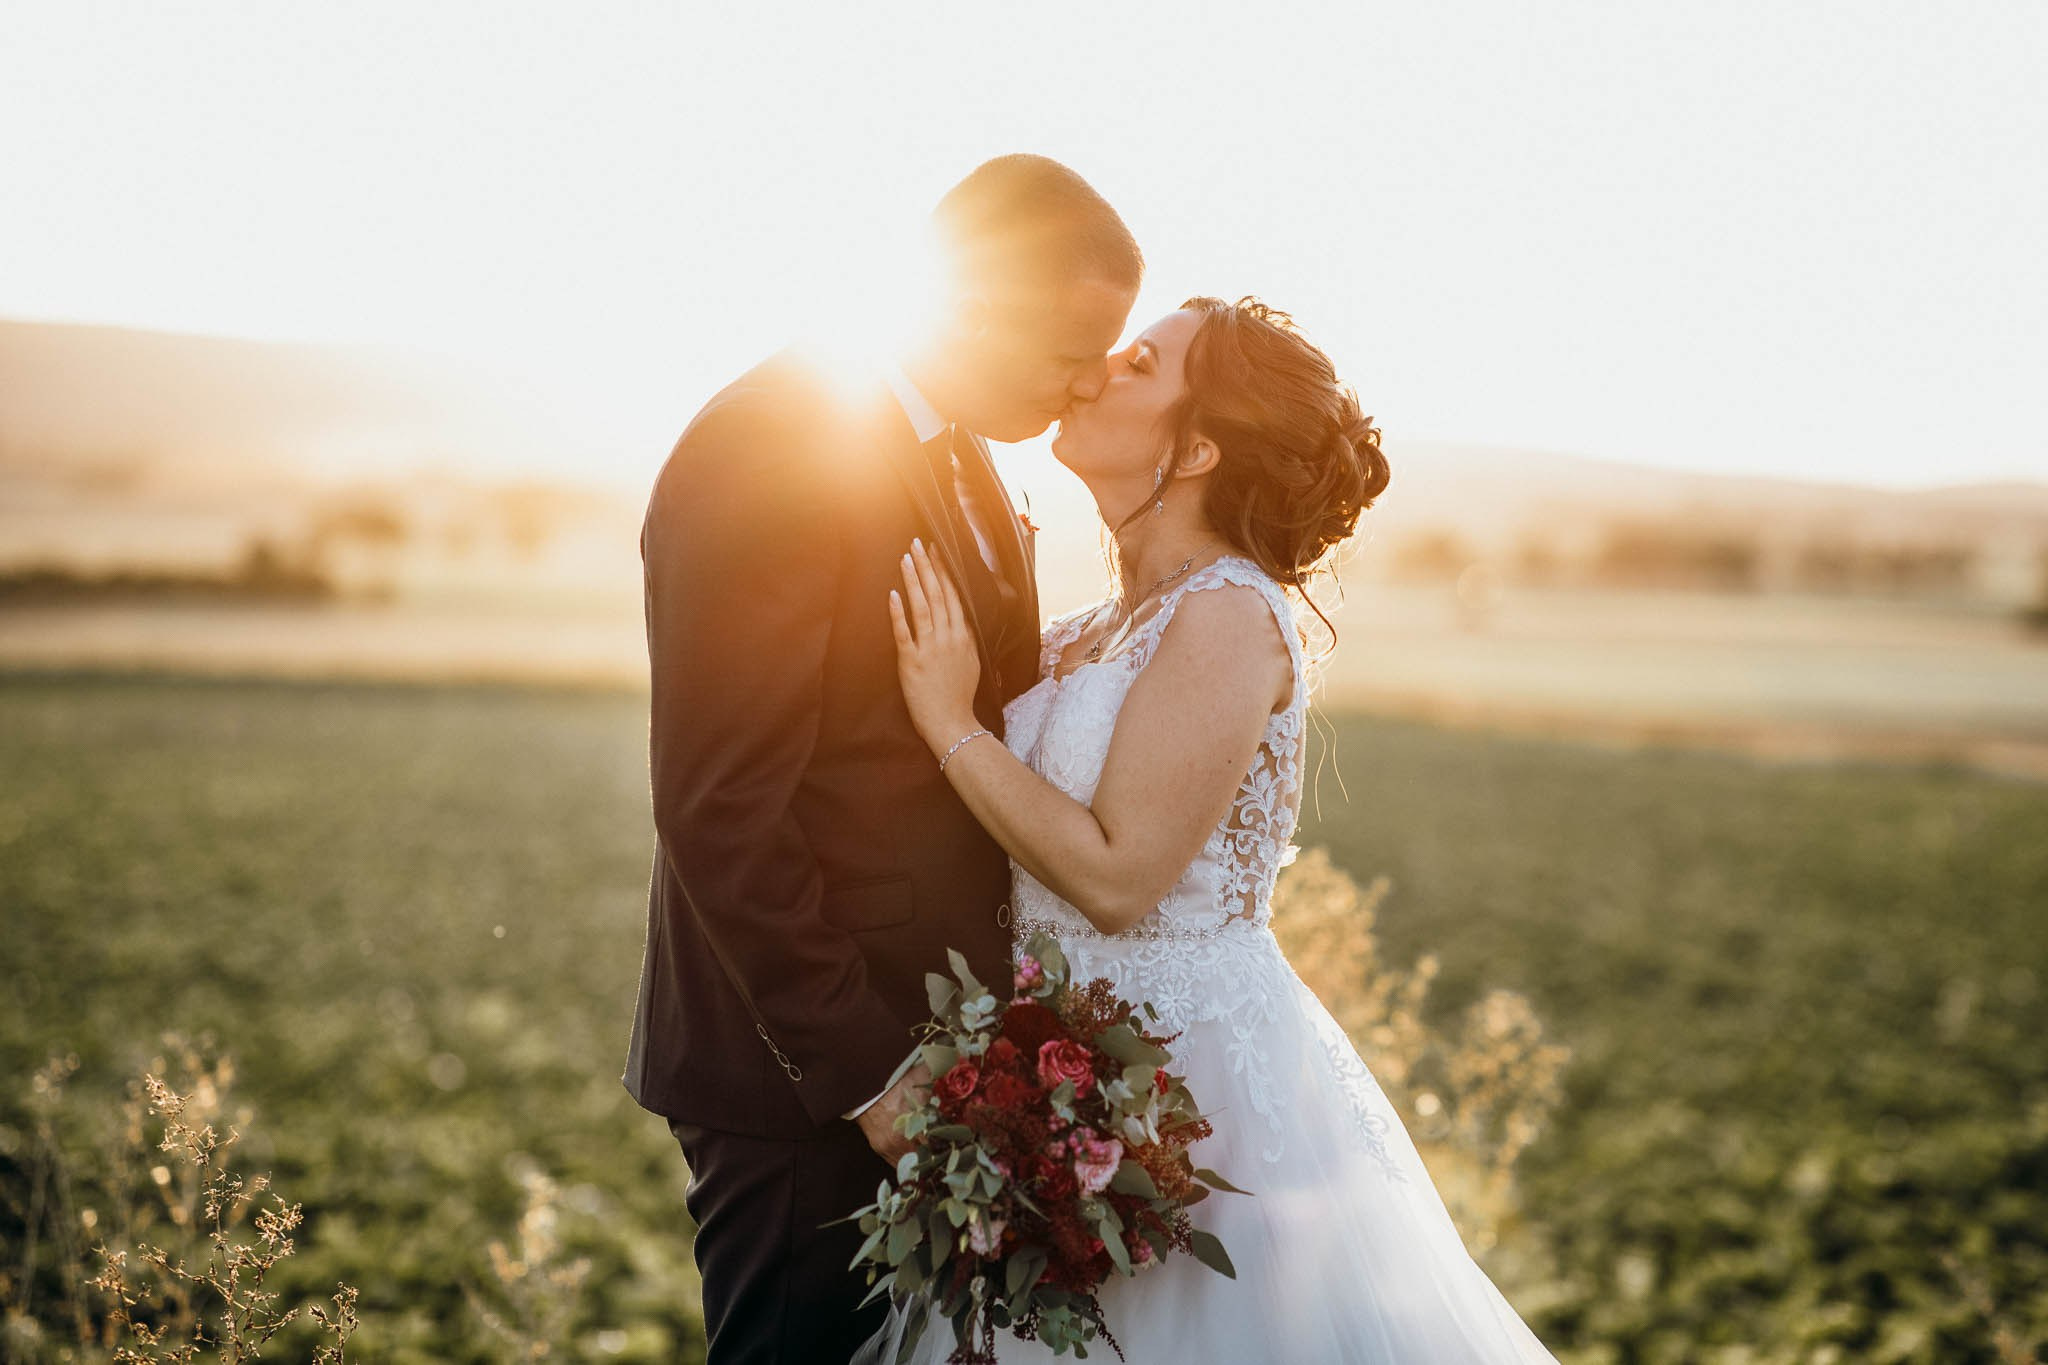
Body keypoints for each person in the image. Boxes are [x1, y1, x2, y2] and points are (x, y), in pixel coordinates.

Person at [872, 297, 1559, 1361]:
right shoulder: (1083, 630)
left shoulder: (1229, 615)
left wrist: (949, 725)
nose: (1096, 366)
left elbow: (1116, 876)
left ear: (1195, 446)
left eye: (1139, 360)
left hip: (1195, 1096)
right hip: (1055, 1070)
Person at [621, 154, 1141, 1363]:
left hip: (936, 1050)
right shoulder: (779, 440)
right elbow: (719, 803)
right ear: (966, 305)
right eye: (1072, 346)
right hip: (810, 1075)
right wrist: (868, 1075)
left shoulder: (961, 453)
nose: (1088, 380)